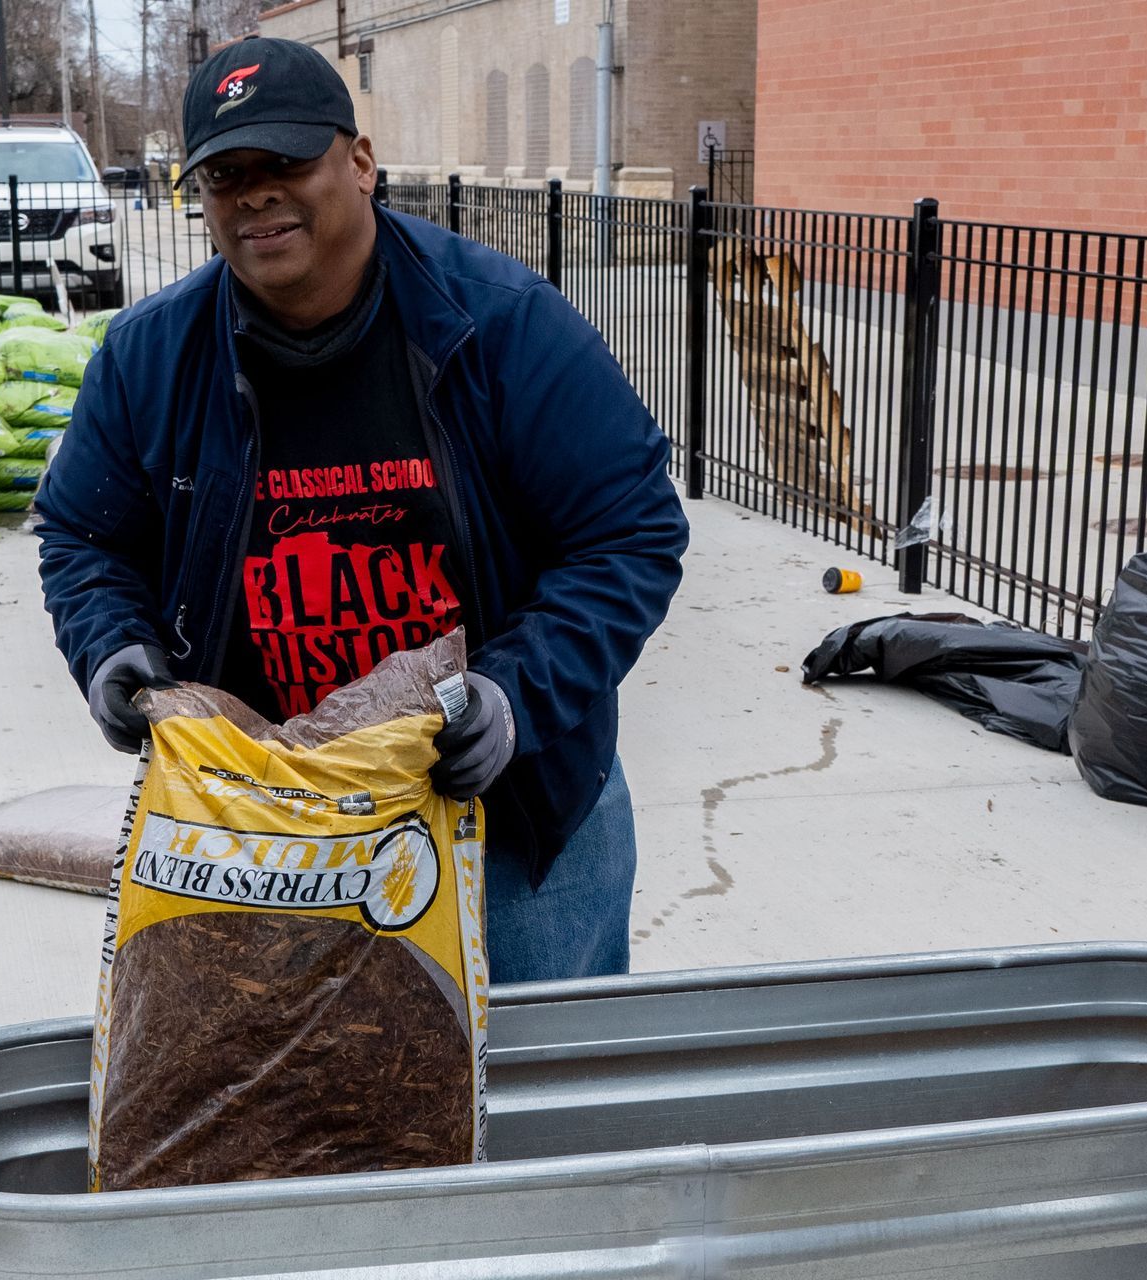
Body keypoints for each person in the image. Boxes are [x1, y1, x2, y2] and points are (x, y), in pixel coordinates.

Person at [34, 36, 687, 983]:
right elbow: (85, 537)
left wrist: (514, 693)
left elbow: (631, 533)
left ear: (361, 162)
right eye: (225, 175)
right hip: (266, 831)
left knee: (545, 1111)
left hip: (503, 820)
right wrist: (109, 646)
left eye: (286, 162)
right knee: (307, 1117)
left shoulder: (500, 326)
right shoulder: (149, 358)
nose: (256, 193)